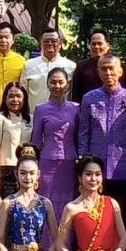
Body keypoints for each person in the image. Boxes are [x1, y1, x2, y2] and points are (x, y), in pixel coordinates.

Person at [79, 53, 126, 251]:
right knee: (93, 217)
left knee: (119, 218)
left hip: (121, 170)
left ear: (120, 71)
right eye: (103, 69)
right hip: (94, 171)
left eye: (111, 68)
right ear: (98, 72)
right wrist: (81, 167)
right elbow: (83, 133)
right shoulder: (89, 98)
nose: (108, 73)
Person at [29, 68, 79, 209]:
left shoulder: (76, 108)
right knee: (47, 199)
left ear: (67, 85)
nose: (57, 86)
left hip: (70, 161)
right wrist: (35, 164)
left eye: (61, 82)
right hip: (47, 161)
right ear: (47, 84)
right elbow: (36, 141)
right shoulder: (40, 109)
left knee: (69, 200)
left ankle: (65, 231)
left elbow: (78, 137)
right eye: (53, 82)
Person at [21, 30, 75, 111]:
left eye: (53, 41)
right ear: (41, 44)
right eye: (46, 41)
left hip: (62, 116)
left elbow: (72, 94)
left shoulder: (71, 66)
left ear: (60, 44)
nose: (50, 43)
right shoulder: (28, 65)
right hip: (34, 116)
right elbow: (23, 92)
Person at [0, 81, 33, 194]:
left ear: (25, 99)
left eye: (18, 96)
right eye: (11, 96)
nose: (15, 100)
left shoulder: (31, 119)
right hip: (6, 171)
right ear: (5, 99)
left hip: (27, 171)